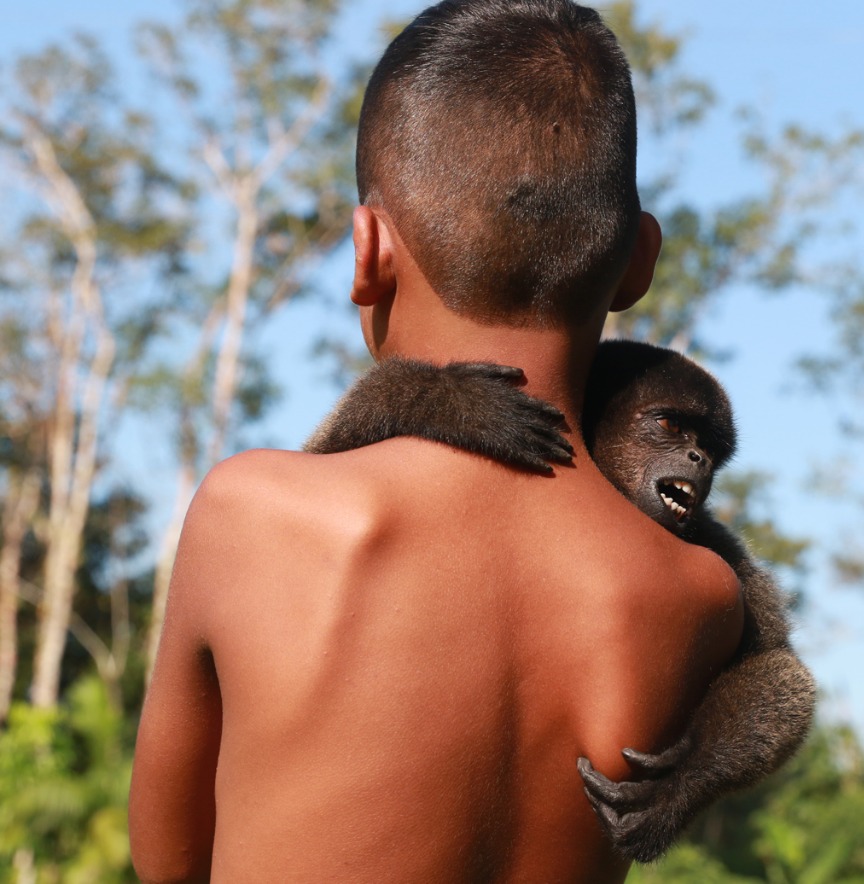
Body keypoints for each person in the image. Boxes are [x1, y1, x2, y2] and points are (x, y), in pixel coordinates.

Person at [128, 1, 743, 881]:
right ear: (638, 264)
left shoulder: (256, 516)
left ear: (368, 250)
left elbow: (168, 858)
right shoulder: (696, 596)